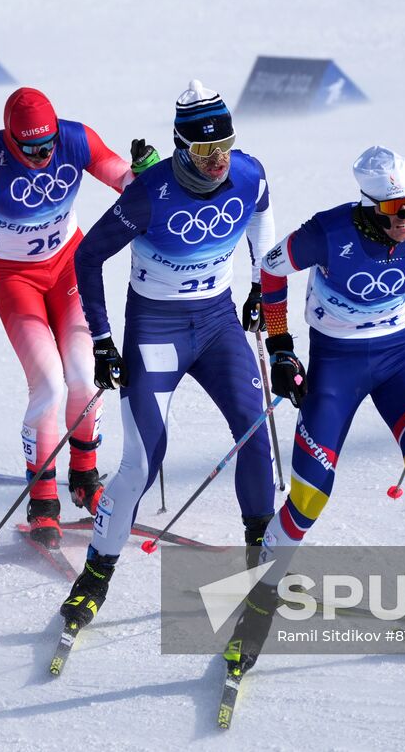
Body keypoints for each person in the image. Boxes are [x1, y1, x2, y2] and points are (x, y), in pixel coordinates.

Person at [222, 145, 405, 677]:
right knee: (309, 497)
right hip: (337, 363)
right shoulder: (329, 232)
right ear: (367, 207)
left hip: (400, 357)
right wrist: (281, 347)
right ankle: (258, 607)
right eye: (392, 211)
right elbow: (272, 270)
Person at [58, 80, 276, 631]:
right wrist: (104, 339)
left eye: (224, 146)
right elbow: (88, 259)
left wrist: (259, 282)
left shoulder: (248, 172)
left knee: (254, 431)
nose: (218, 161)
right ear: (181, 147)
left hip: (218, 323)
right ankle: (96, 576)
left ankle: (262, 562)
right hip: (156, 330)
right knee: (144, 456)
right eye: (205, 152)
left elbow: (261, 211)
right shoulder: (148, 194)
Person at [0, 87, 160, 545]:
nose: (42, 155)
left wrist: (151, 176)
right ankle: (43, 498)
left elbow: (126, 184)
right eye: (31, 148)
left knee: (86, 375)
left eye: (48, 144)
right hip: (16, 281)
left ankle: (85, 477)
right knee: (50, 384)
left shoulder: (75, 140)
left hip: (68, 269)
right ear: (12, 141)